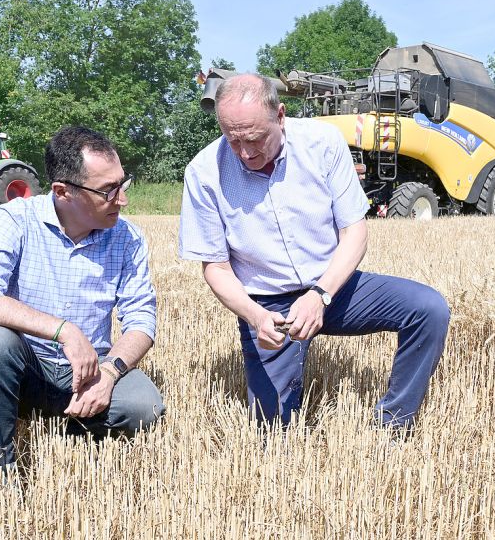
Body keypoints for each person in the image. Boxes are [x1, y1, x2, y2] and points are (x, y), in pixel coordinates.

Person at [178, 74, 450, 431]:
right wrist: (255, 317)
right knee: (273, 433)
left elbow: (354, 231)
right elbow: (215, 267)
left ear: (280, 115)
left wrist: (320, 295)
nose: (245, 152)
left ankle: (395, 424)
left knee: (429, 309)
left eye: (255, 139)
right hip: (267, 306)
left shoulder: (322, 142)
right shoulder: (203, 172)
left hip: (334, 287)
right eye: (233, 140)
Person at [0, 125, 164, 475]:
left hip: (91, 373)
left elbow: (141, 320)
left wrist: (110, 372)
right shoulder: (16, 220)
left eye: (122, 184)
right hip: (27, 368)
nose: (123, 199)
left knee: (144, 407)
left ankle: (68, 432)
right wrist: (64, 331)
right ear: (63, 192)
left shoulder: (128, 238)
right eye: (108, 190)